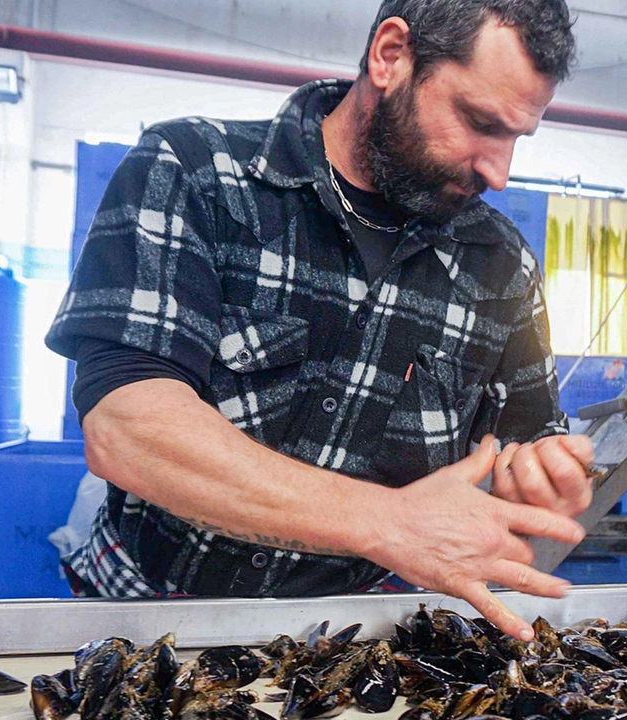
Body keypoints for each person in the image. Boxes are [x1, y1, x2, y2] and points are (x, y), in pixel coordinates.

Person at [45, 0, 593, 641]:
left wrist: (543, 478)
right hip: (149, 618)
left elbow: (524, 447)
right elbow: (128, 429)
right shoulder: (196, 174)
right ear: (391, 56)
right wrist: (387, 522)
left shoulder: (502, 266)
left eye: (516, 139)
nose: (498, 172)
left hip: (347, 638)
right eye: (479, 122)